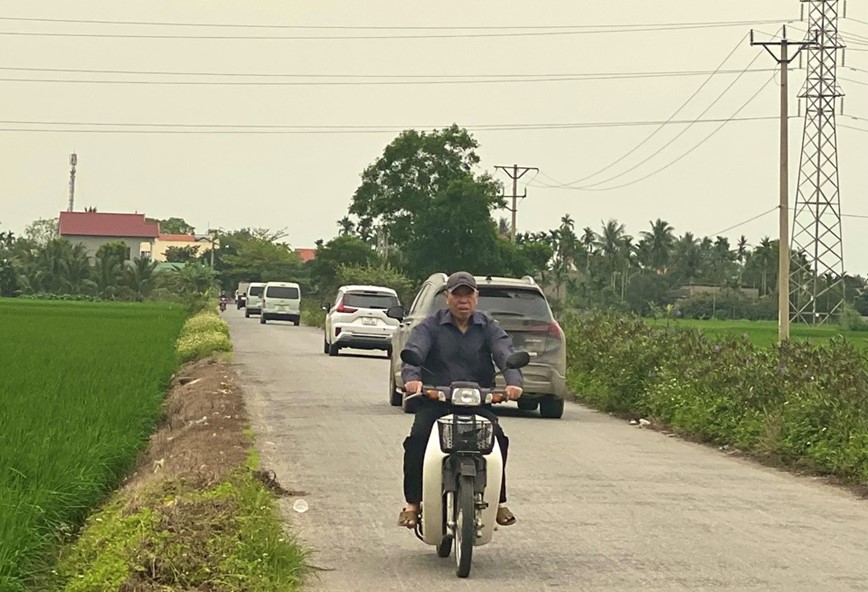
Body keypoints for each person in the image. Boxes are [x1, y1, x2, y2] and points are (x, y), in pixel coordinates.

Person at [397, 271, 523, 530]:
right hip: (436, 401)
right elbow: (415, 351)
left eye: (468, 294)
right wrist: (413, 378)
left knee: (499, 439)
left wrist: (513, 382)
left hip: (478, 402)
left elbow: (504, 352)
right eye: (457, 294)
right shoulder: (430, 325)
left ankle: (497, 502)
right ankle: (412, 505)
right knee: (416, 441)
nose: (463, 300)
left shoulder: (488, 326)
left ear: (476, 297)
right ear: (447, 297)